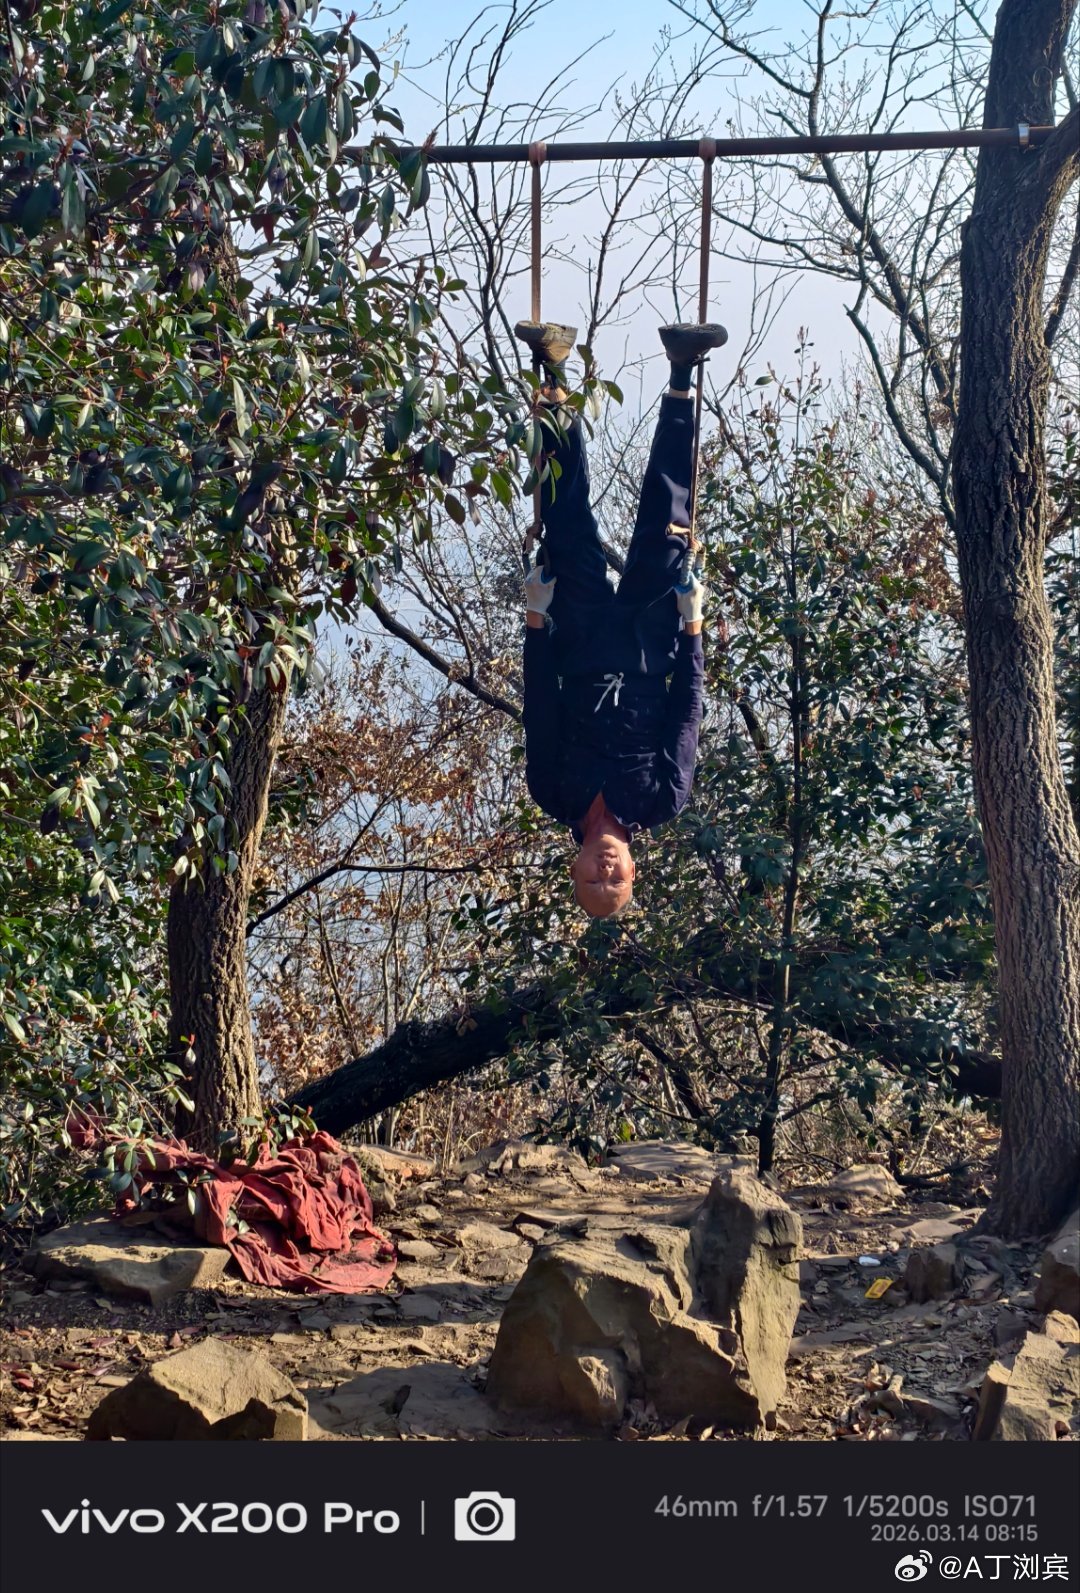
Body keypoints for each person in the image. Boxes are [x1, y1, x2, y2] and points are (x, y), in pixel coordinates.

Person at [518, 317, 727, 918]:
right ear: (635, 869)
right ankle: (682, 369)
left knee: (565, 518)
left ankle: (553, 366)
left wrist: (535, 619)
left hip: (578, 642)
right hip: (648, 641)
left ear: (574, 867)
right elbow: (688, 708)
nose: (606, 873)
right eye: (618, 883)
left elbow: (541, 707)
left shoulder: (552, 793)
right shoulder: (664, 800)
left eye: (593, 883)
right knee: (668, 517)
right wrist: (693, 627)